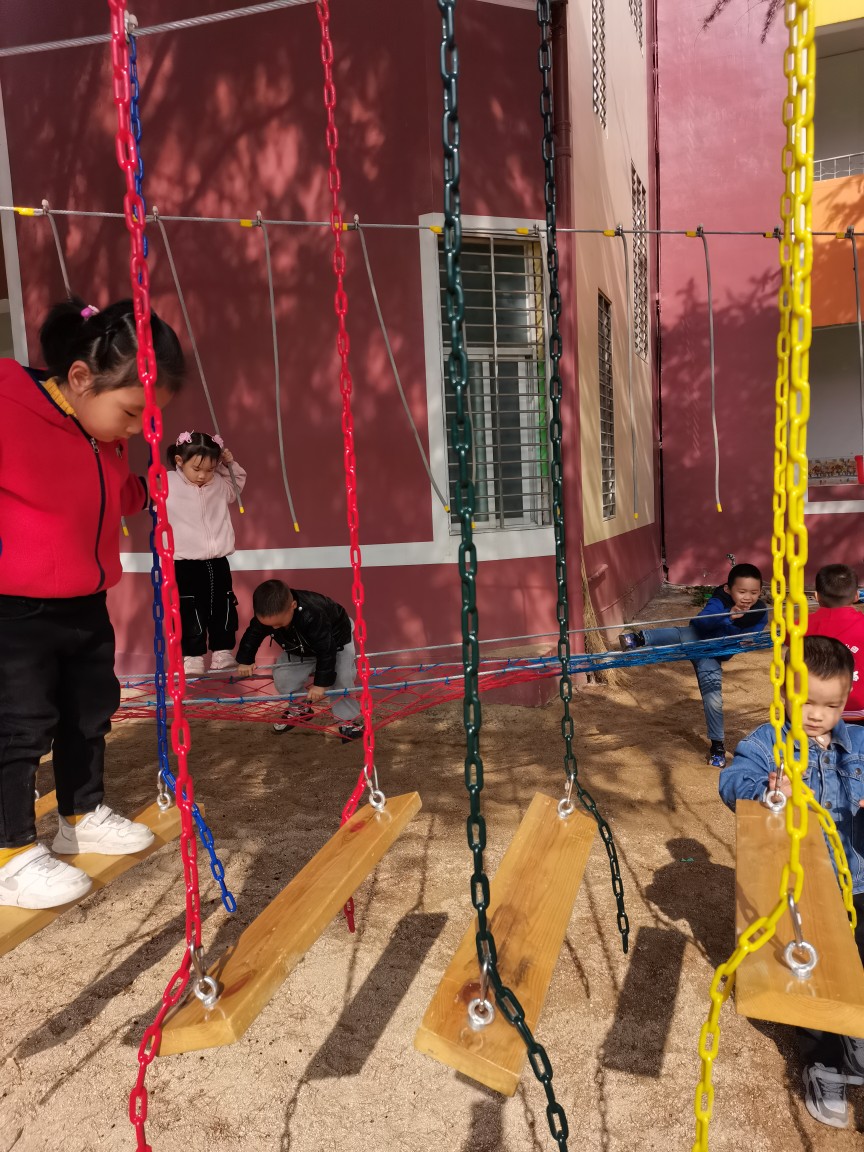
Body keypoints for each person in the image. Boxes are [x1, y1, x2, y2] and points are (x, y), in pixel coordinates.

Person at [0, 296, 185, 909]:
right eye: (131, 413)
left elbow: (109, 489)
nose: (134, 429)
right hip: (14, 610)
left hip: (84, 600)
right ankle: (10, 853)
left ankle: (79, 818)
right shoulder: (10, 405)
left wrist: (150, 491)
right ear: (80, 378)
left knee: (88, 713)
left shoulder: (98, 430)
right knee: (20, 726)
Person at [718, 635, 864, 1130]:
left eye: (832, 705)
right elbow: (731, 782)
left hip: (858, 879)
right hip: (805, 885)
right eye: (806, 702)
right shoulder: (767, 744)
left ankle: (854, 1034)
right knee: (811, 973)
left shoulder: (859, 744)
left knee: (857, 963)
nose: (818, 715)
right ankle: (824, 1064)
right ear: (783, 691)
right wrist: (767, 789)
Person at [620, 563, 768, 767]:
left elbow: (749, 637)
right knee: (681, 634)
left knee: (713, 699)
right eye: (742, 592)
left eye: (754, 592)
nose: (747, 598)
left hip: (713, 656)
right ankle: (639, 639)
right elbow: (700, 622)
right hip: (698, 638)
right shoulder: (720, 600)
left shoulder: (759, 612)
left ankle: (717, 746)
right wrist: (728, 616)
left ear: (760, 592)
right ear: (728, 589)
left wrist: (746, 640)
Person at [235, 579, 363, 742]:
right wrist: (245, 659)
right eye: (269, 625)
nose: (275, 628)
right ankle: (300, 708)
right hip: (298, 646)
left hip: (336, 641)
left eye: (279, 623)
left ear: (293, 606)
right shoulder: (270, 613)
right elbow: (253, 635)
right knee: (283, 677)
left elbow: (326, 649)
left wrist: (321, 684)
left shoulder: (312, 614)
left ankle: (348, 721)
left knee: (342, 678)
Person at [166, 430, 247, 676]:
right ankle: (192, 657)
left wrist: (228, 465)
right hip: (185, 562)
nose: (203, 475)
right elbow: (146, 495)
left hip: (218, 561)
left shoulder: (219, 483)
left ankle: (222, 653)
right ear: (180, 461)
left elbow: (237, 485)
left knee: (223, 605)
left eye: (210, 469)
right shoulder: (167, 483)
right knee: (190, 608)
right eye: (197, 469)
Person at [807, 563, 864, 724]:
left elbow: (789, 639)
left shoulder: (801, 625)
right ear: (856, 596)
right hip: (859, 708)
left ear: (816, 596)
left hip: (817, 709)